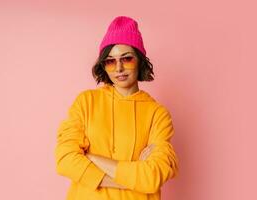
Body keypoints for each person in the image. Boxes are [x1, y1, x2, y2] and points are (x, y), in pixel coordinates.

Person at [54, 15, 179, 200]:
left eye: (126, 59)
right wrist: (133, 179)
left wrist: (91, 158)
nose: (118, 68)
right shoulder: (86, 102)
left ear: (140, 61)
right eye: (110, 61)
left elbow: (153, 176)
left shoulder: (157, 115)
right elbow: (65, 160)